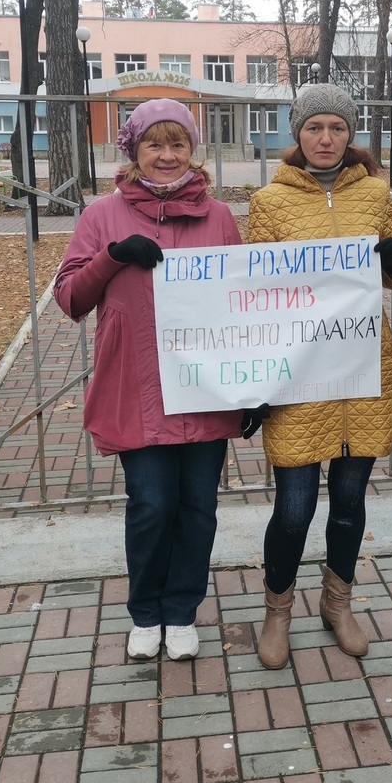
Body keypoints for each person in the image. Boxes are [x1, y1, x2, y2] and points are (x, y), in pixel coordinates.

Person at [54, 99, 249, 662]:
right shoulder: (102, 216)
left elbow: (243, 304)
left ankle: (182, 611)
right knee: (151, 506)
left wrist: (252, 388)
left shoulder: (218, 217)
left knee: (198, 508)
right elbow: (70, 298)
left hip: (207, 388)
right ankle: (146, 613)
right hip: (136, 387)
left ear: (193, 149)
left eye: (178, 144)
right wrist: (112, 257)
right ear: (134, 152)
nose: (167, 156)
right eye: (154, 145)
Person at [247, 83, 392, 669]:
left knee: (348, 501)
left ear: (351, 135)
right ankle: (277, 609)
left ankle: (337, 602)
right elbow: (254, 294)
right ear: (297, 134)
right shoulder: (269, 203)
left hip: (364, 370)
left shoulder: (374, 193)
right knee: (294, 508)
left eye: (337, 129)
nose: (326, 139)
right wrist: (256, 386)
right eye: (315, 128)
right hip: (298, 379)